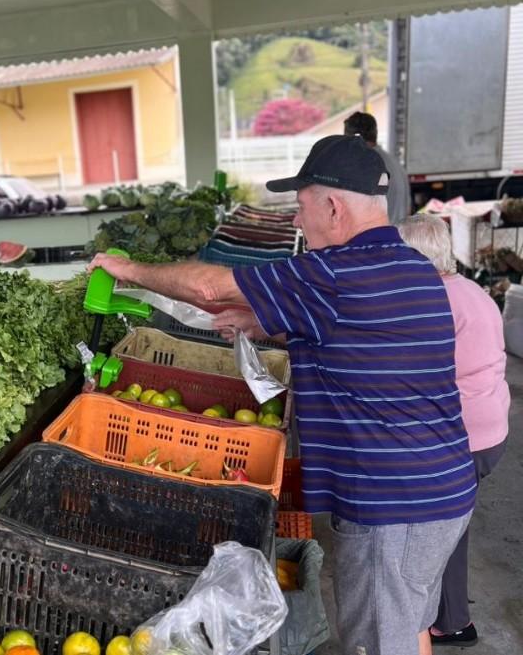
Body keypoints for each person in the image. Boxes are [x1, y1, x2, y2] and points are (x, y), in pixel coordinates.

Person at [89, 135, 476, 655]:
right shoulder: (412, 269)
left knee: (380, 643)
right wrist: (265, 323)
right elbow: (357, 338)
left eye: (300, 208)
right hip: (440, 490)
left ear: (333, 207)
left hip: (394, 507)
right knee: (407, 626)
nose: (297, 222)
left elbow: (209, 288)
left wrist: (128, 270)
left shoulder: (336, 272)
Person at [397, 214, 509, 648]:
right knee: (451, 526)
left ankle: (448, 622)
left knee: (432, 531)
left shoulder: (429, 299)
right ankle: (453, 618)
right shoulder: (471, 291)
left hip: (460, 437)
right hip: (489, 431)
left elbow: (414, 374)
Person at [344, 111, 411, 224]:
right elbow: (408, 209)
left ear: (354, 138)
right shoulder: (395, 163)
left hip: (379, 239)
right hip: (398, 237)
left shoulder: (364, 163)